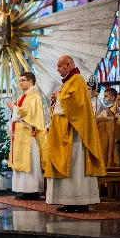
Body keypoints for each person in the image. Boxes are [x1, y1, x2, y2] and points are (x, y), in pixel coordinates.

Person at [45, 55, 106, 213]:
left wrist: (59, 98)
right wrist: (56, 99)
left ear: (68, 65)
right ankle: (69, 201)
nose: (57, 70)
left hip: (75, 135)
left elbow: (76, 105)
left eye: (60, 66)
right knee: (70, 167)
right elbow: (63, 104)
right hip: (65, 132)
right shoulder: (69, 82)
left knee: (76, 167)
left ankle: (80, 202)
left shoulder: (77, 80)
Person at [6, 72, 47, 200]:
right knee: (22, 162)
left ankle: (32, 190)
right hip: (21, 134)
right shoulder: (26, 95)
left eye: (23, 80)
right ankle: (24, 190)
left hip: (28, 135)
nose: (20, 83)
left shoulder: (33, 95)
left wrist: (14, 108)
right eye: (20, 80)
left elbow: (28, 114)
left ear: (30, 82)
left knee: (30, 163)